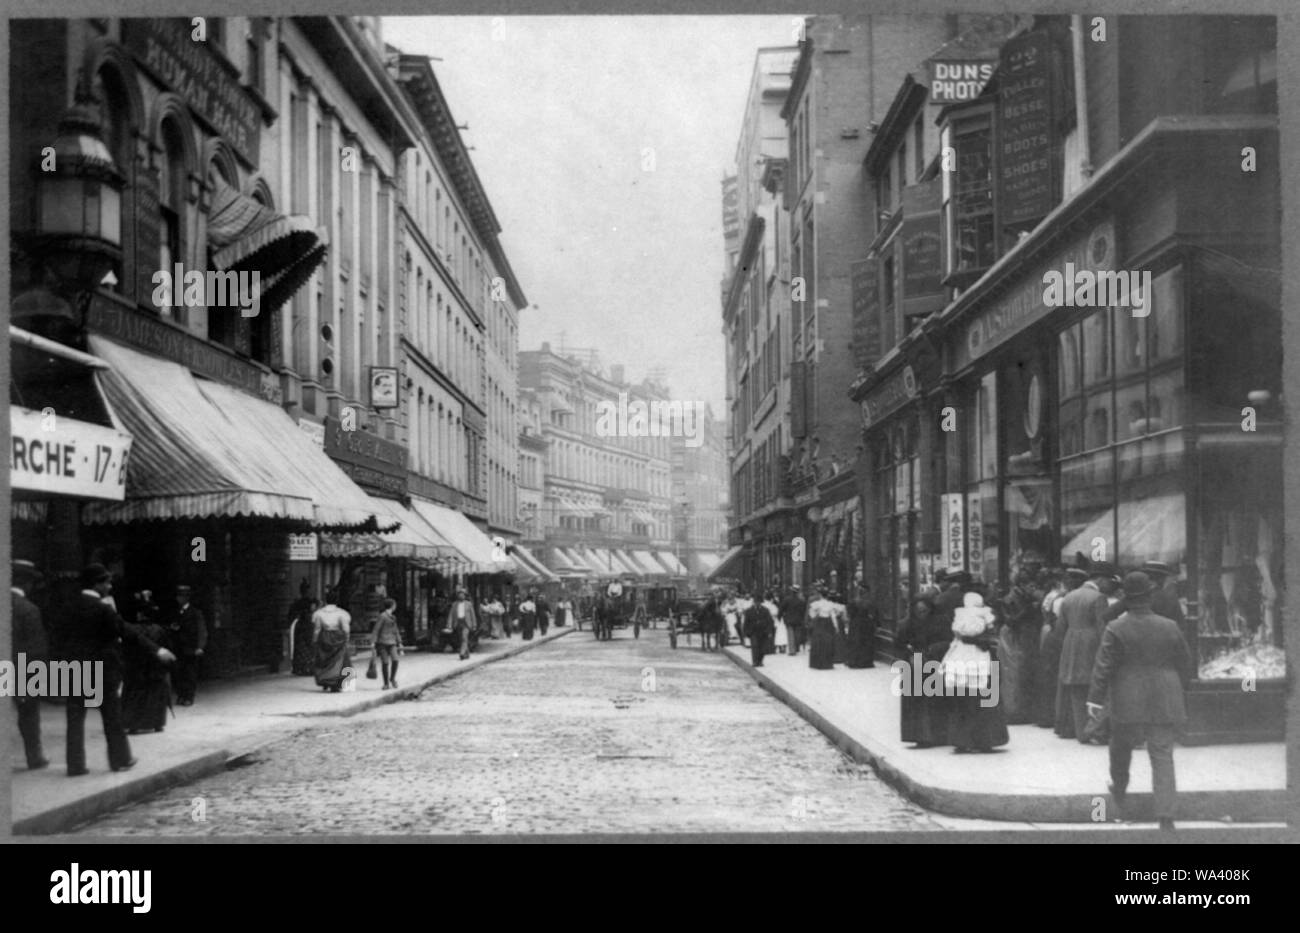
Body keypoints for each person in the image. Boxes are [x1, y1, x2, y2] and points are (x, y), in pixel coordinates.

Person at [1088, 571, 1193, 831]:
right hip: (1165, 696)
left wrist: (1095, 699)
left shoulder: (1116, 628)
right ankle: (1166, 816)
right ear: (1149, 596)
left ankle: (1120, 790)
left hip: (1127, 697)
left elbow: (1104, 666)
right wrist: (1180, 690)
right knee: (1162, 755)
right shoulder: (1169, 626)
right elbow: (1185, 662)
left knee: (1120, 749)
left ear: (1126, 597)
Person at [56, 564, 175, 775]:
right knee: (112, 718)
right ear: (97, 584)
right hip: (101, 672)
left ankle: (75, 765)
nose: (109, 587)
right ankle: (120, 759)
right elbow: (128, 632)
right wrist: (157, 650)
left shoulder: (68, 606)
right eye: (107, 582)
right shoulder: (103, 609)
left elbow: (57, 639)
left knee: (75, 719)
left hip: (74, 669)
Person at [1056, 563, 1117, 742]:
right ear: (1100, 579)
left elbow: (1060, 628)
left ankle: (1081, 732)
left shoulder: (1068, 597)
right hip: (1091, 645)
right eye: (1108, 581)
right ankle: (1095, 731)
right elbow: (1102, 627)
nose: (1109, 585)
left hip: (1071, 643)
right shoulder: (1099, 598)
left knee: (1076, 688)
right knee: (1095, 686)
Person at [944, 592, 1009, 753]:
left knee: (962, 701)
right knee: (984, 699)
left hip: (958, 658)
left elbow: (960, 634)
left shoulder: (959, 617)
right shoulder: (984, 616)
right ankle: (986, 739)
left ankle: (961, 739)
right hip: (980, 658)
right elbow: (986, 632)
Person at [897, 595, 949, 748]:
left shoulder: (940, 622)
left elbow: (948, 641)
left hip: (934, 663)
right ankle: (919, 735)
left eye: (924, 611)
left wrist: (934, 650)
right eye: (919, 611)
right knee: (916, 703)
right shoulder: (906, 624)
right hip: (914, 665)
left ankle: (939, 735)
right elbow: (899, 645)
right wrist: (909, 655)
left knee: (935, 701)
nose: (922, 614)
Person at [12, 560, 50, 769]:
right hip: (20, 671)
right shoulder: (29, 609)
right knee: (28, 714)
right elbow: (37, 649)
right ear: (27, 584)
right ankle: (34, 756)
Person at [123, 590, 173, 734]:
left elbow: (126, 649)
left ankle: (134, 725)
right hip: (155, 668)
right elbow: (167, 647)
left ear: (139, 614)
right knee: (156, 696)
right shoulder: (159, 630)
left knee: (136, 696)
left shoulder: (133, 629)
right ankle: (157, 724)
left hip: (137, 668)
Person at [1036, 568, 1081, 727]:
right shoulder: (1063, 599)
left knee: (1050, 674)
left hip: (1050, 633)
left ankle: (1047, 715)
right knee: (1057, 675)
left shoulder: (1055, 597)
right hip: (1060, 635)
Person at [996, 569, 1042, 724]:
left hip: (1025, 638)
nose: (1033, 589)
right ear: (1022, 585)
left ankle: (1022, 710)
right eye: (1030, 586)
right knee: (1013, 674)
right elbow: (1010, 621)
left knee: (1023, 674)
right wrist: (1028, 610)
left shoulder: (1024, 597)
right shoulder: (1010, 598)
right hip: (1014, 639)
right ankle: (1013, 711)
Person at [167, 584, 207, 706]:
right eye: (178, 596)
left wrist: (200, 647)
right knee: (179, 673)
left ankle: (189, 697)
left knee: (190, 674)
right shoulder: (176, 612)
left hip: (191, 648)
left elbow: (201, 630)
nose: (179, 598)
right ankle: (181, 695)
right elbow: (172, 627)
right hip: (178, 648)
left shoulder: (195, 612)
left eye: (182, 596)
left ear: (187, 598)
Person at [312, 588, 353, 692]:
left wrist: (315, 640)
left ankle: (325, 680)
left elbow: (317, 629)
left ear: (326, 600)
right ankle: (335, 682)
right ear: (337, 600)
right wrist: (346, 639)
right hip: (338, 637)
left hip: (324, 636)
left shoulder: (319, 613)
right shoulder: (342, 613)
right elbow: (346, 629)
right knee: (338, 660)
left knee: (323, 659)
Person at [287, 580, 319, 676]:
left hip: (300, 625)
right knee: (310, 646)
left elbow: (291, 615)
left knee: (301, 647)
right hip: (308, 625)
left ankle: (300, 668)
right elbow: (315, 611)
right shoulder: (312, 601)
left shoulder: (297, 602)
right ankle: (309, 668)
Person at [806, 585, 840, 670]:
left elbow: (811, 612)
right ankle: (827, 663)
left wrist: (815, 616)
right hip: (828, 623)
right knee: (828, 641)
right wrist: (836, 626)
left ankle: (817, 663)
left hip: (819, 622)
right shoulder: (830, 604)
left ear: (820, 595)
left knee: (818, 641)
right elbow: (833, 616)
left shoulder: (817, 603)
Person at [371, 598, 403, 690]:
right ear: (392, 606)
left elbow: (396, 630)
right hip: (382, 643)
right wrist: (373, 642)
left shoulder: (393, 617)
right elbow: (376, 629)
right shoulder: (382, 616)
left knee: (395, 660)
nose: (395, 607)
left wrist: (399, 642)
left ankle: (392, 678)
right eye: (394, 605)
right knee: (385, 662)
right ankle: (386, 683)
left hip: (392, 642)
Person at [846, 580, 878, 669]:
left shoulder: (855, 601)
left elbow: (850, 612)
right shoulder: (870, 602)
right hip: (867, 624)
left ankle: (855, 661)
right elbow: (875, 614)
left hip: (856, 624)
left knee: (856, 642)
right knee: (866, 643)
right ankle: (866, 661)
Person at [742, 592, 774, 667]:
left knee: (762, 648)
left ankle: (760, 661)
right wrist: (745, 632)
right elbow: (746, 622)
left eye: (759, 602)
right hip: (753, 632)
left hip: (763, 632)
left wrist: (769, 631)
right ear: (754, 602)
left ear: (761, 603)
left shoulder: (765, 610)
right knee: (755, 646)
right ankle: (755, 661)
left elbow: (770, 622)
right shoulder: (749, 611)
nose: (757, 604)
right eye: (756, 602)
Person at [447, 587, 478, 658]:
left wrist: (474, 625)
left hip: (466, 623)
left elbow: (473, 615)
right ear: (458, 596)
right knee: (461, 639)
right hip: (458, 623)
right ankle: (467, 653)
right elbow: (451, 615)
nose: (461, 596)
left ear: (465, 596)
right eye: (460, 594)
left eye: (463, 594)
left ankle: (462, 653)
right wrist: (449, 624)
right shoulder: (454, 604)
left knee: (464, 637)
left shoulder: (469, 604)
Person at [780, 585, 807, 656]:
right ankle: (796, 647)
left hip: (789, 620)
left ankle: (792, 650)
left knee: (790, 635)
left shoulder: (787, 599)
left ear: (792, 591)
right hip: (798, 620)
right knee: (797, 635)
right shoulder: (801, 601)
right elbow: (803, 611)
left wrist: (780, 616)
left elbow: (782, 608)